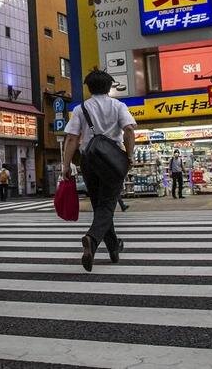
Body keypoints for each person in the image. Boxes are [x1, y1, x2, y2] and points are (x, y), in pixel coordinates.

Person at [62, 69, 136, 271]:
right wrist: (129, 156)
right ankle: (92, 239)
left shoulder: (81, 108)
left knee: (100, 206)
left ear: (89, 87)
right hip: (112, 161)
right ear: (109, 86)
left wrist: (65, 166)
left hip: (89, 160)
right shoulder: (118, 106)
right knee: (107, 205)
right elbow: (129, 130)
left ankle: (113, 248)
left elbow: (71, 138)